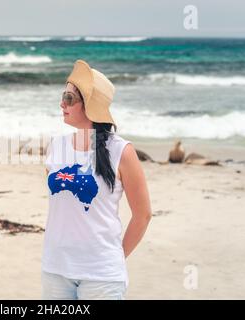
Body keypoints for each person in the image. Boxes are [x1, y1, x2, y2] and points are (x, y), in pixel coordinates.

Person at [42, 60, 152, 300]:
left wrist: (116, 256)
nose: (62, 103)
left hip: (102, 277)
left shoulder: (122, 151)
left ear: (90, 106)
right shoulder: (56, 147)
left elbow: (142, 215)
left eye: (69, 98)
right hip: (55, 270)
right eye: (63, 96)